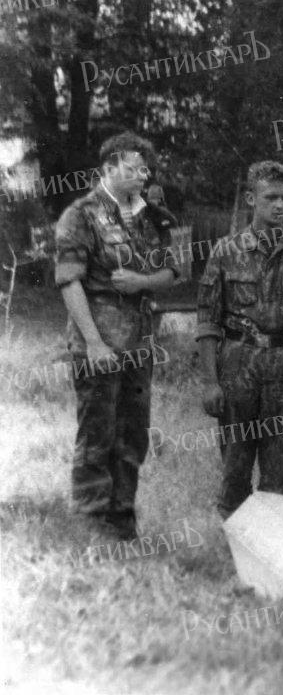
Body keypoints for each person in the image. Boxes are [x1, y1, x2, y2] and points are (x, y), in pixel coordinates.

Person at [54, 132, 180, 540]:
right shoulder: (80, 215)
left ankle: (122, 517)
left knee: (133, 433)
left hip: (138, 344)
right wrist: (93, 343)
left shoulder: (151, 217)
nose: (142, 176)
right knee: (98, 433)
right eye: (133, 169)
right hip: (99, 341)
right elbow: (70, 282)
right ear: (108, 168)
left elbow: (171, 272)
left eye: (145, 170)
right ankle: (91, 520)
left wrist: (142, 281)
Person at [196, 161, 283, 519]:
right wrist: (210, 382)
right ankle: (235, 544)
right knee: (234, 473)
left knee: (277, 479)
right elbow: (208, 322)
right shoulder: (225, 252)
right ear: (250, 199)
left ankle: (272, 548)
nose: (280, 205)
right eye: (271, 197)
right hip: (237, 369)